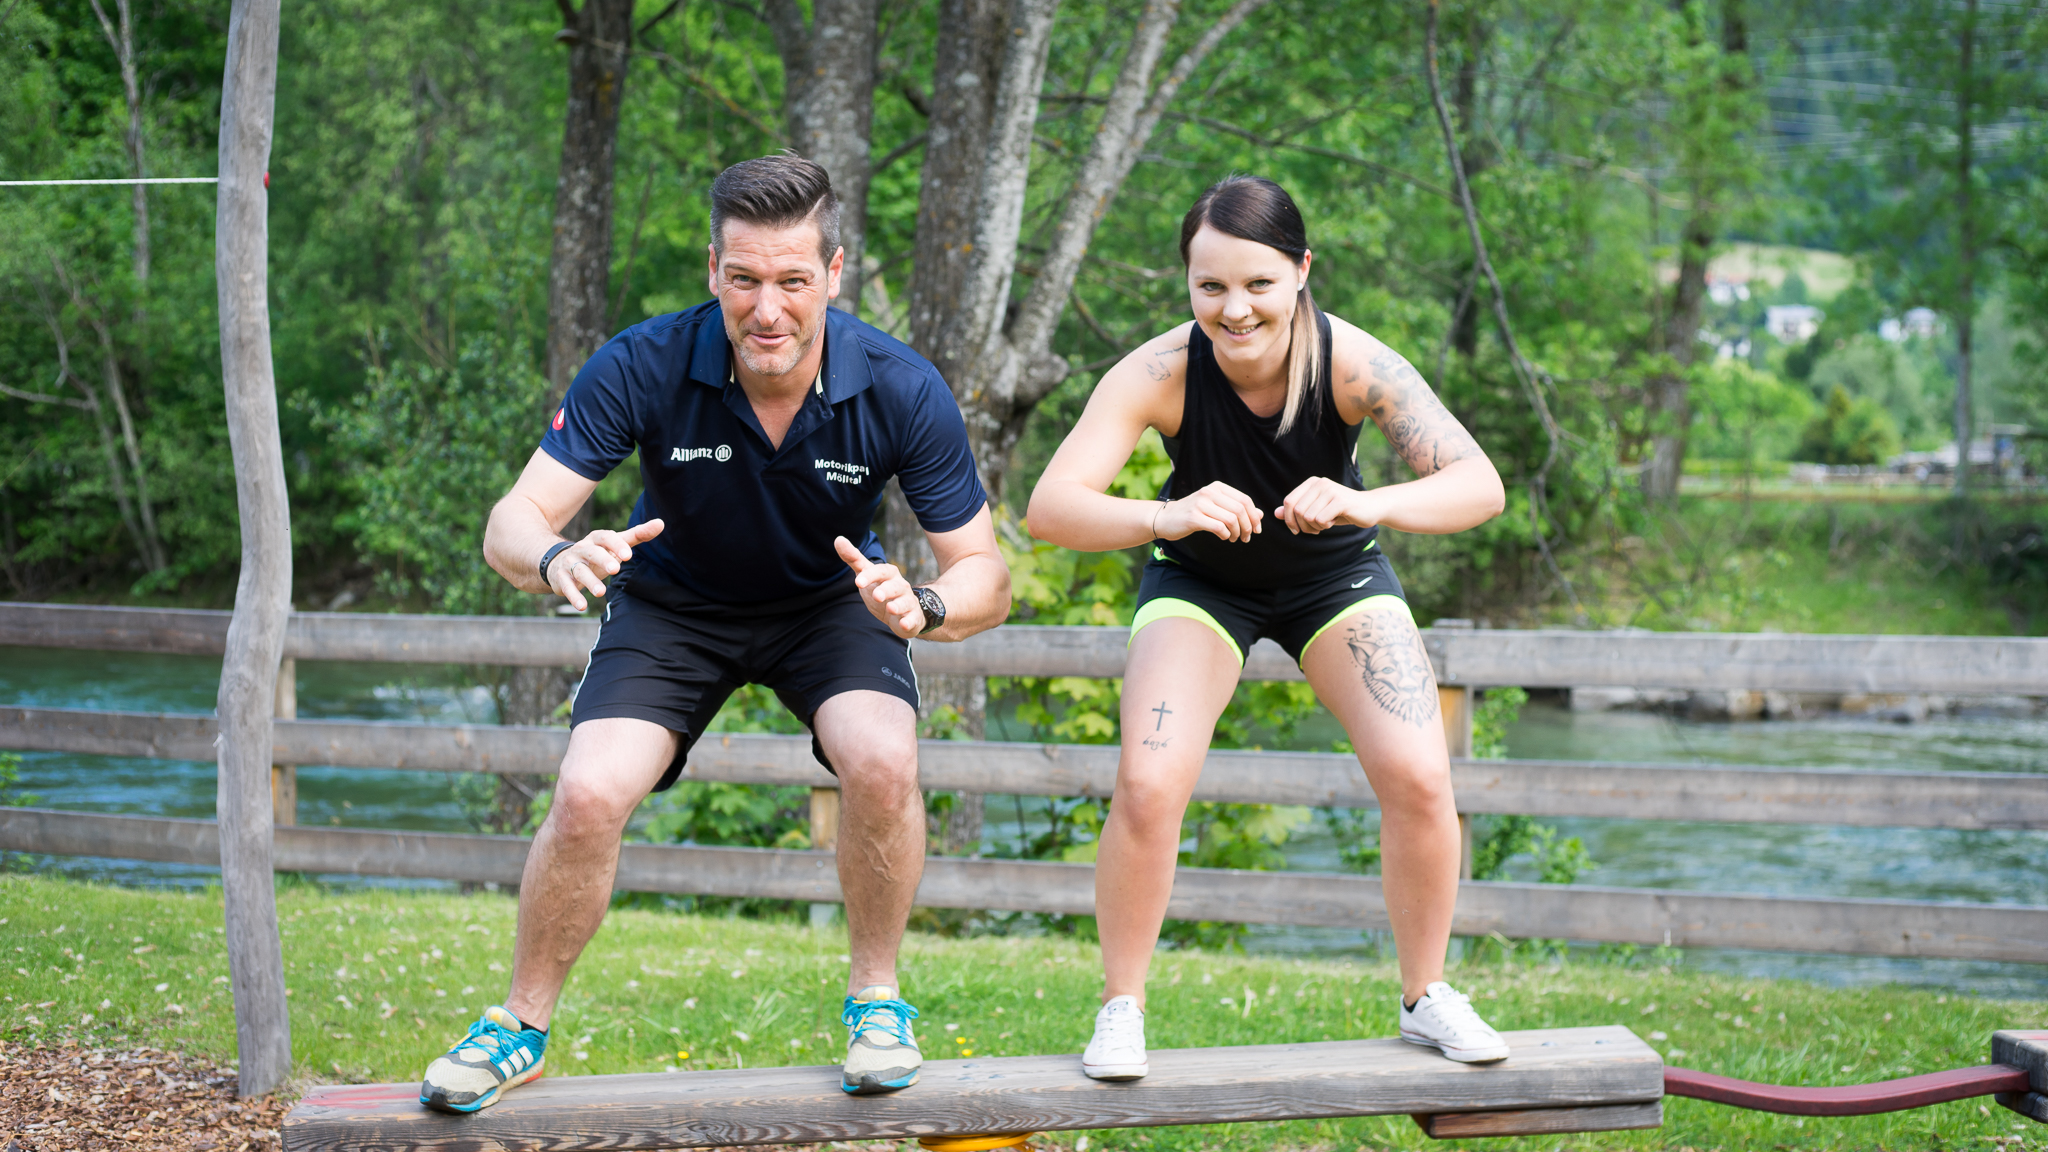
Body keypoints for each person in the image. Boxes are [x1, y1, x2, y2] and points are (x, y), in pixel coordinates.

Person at [418, 155, 1011, 1112]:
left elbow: (986, 574)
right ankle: (518, 1028)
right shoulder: (644, 362)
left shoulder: (901, 385)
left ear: (833, 271)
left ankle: (877, 1003)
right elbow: (512, 520)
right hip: (673, 608)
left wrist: (927, 606)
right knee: (584, 792)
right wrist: (552, 557)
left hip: (831, 605)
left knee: (885, 760)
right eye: (744, 280)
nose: (766, 310)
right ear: (712, 272)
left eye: (791, 281)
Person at [1025, 176, 1510, 1080]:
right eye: (1210, 287)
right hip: (1204, 583)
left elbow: (1480, 486)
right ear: (1188, 284)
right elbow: (1050, 508)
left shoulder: (1358, 365)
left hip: (1336, 577)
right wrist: (1164, 516)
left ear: (1300, 272)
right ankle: (1120, 1008)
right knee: (1147, 782)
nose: (1234, 309)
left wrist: (1366, 500)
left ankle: (1426, 996)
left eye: (1257, 284)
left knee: (1417, 771)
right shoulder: (1159, 372)